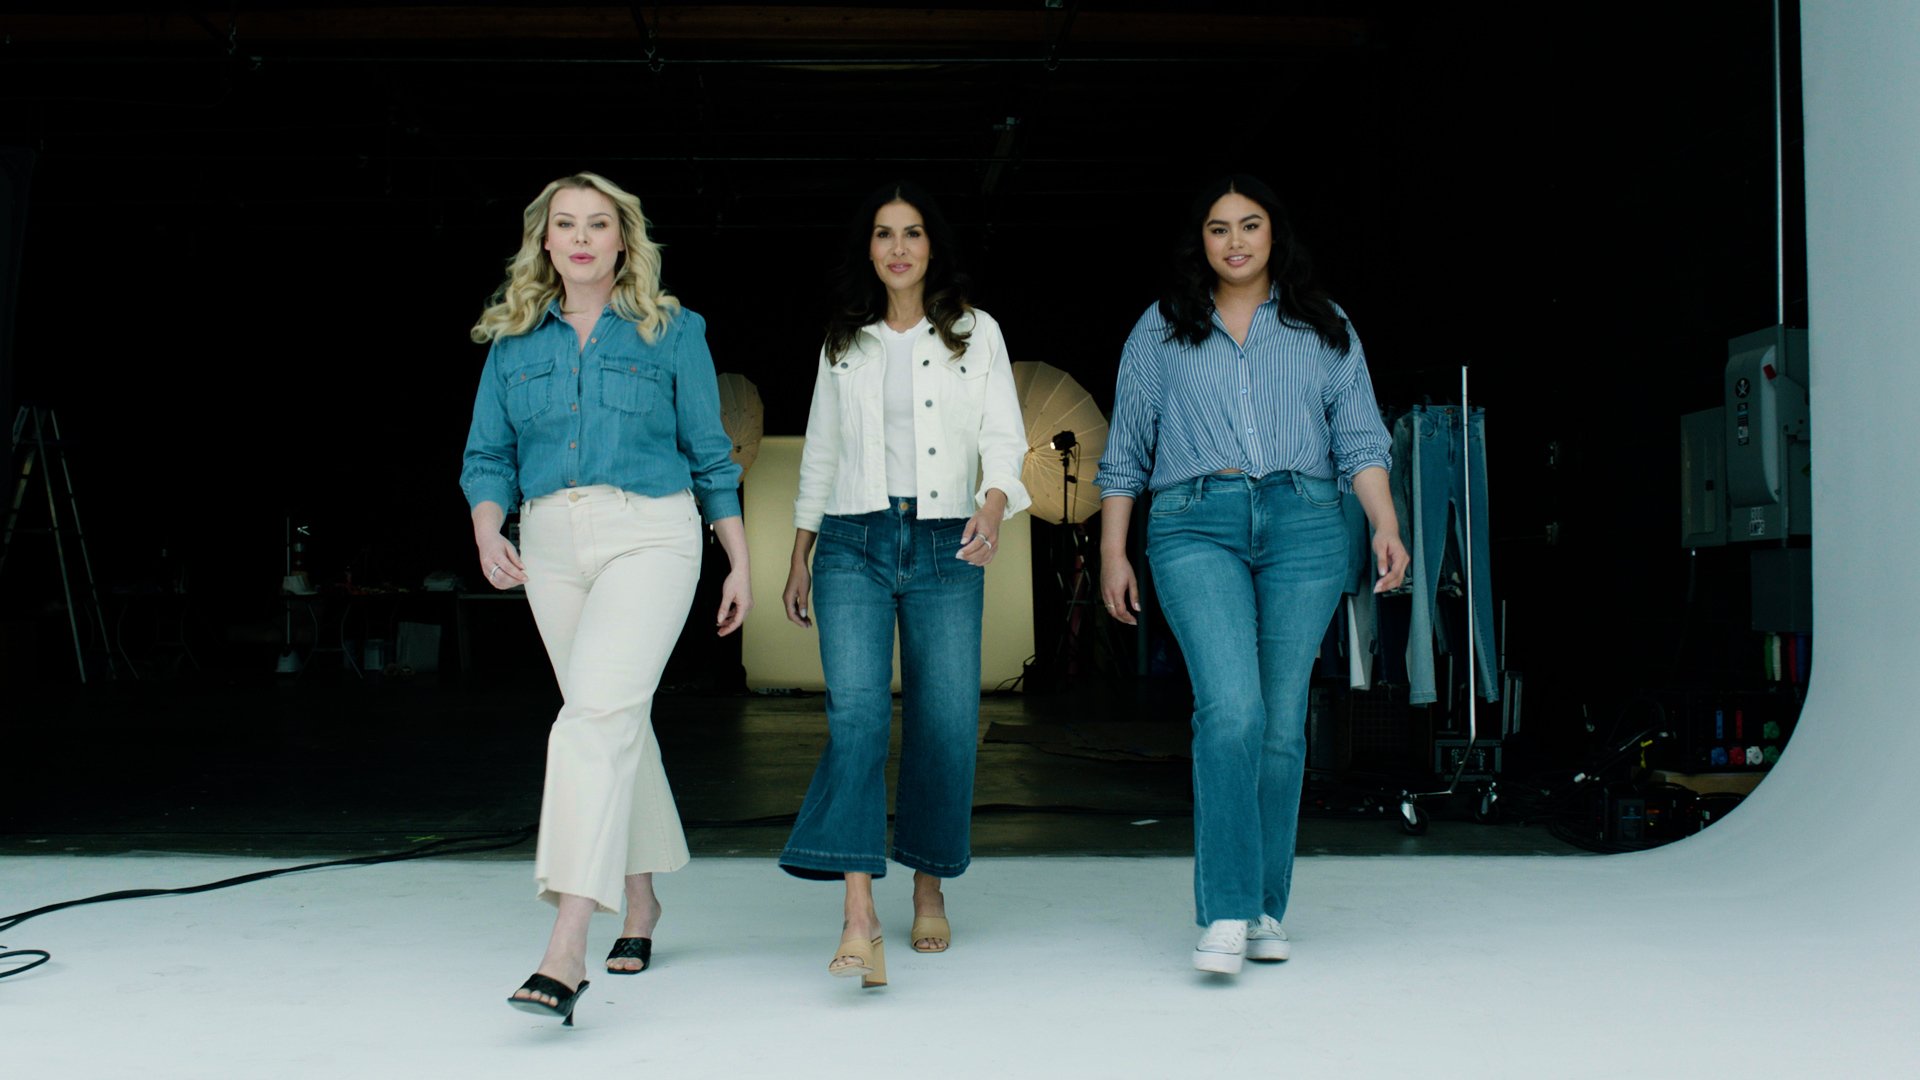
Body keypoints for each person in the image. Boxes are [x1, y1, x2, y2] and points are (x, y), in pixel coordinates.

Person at [1095, 174, 1409, 975]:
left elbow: (1362, 438)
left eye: (1250, 224)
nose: (1234, 241)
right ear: (1198, 241)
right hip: (1194, 522)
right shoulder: (1162, 329)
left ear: (1276, 235)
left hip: (1305, 522)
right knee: (1230, 709)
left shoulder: (1323, 324)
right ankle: (1227, 909)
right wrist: (1112, 552)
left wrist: (1386, 523)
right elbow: (1126, 451)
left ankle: (1268, 904)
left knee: (1280, 722)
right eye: (1217, 227)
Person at [460, 172, 750, 1024]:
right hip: (550, 543)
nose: (582, 238)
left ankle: (566, 946)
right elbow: (487, 458)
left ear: (624, 240)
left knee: (589, 722)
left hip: (651, 535)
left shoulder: (672, 330)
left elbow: (709, 452)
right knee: (612, 716)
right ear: (543, 242)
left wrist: (735, 558)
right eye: (566, 225)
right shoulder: (512, 344)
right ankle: (644, 901)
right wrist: (488, 530)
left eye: (599, 224)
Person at [777, 181, 1030, 988]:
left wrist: (992, 507)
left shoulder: (974, 332)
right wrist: (799, 551)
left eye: (912, 233)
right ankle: (857, 912)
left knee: (945, 720)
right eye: (883, 234)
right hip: (851, 539)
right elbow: (820, 450)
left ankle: (927, 884)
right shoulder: (842, 340)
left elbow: (1003, 437)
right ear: (869, 249)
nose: (897, 248)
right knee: (855, 718)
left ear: (932, 246)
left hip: (944, 540)